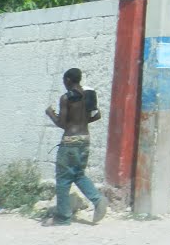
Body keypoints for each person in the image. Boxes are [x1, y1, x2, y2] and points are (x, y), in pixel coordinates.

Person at [44, 68, 108, 226]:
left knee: (63, 179)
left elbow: (62, 124)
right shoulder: (89, 95)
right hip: (85, 139)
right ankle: (98, 200)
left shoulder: (66, 98)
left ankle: (63, 217)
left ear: (67, 80)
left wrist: (50, 114)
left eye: (64, 81)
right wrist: (81, 123)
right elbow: (97, 115)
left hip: (70, 141)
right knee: (78, 174)